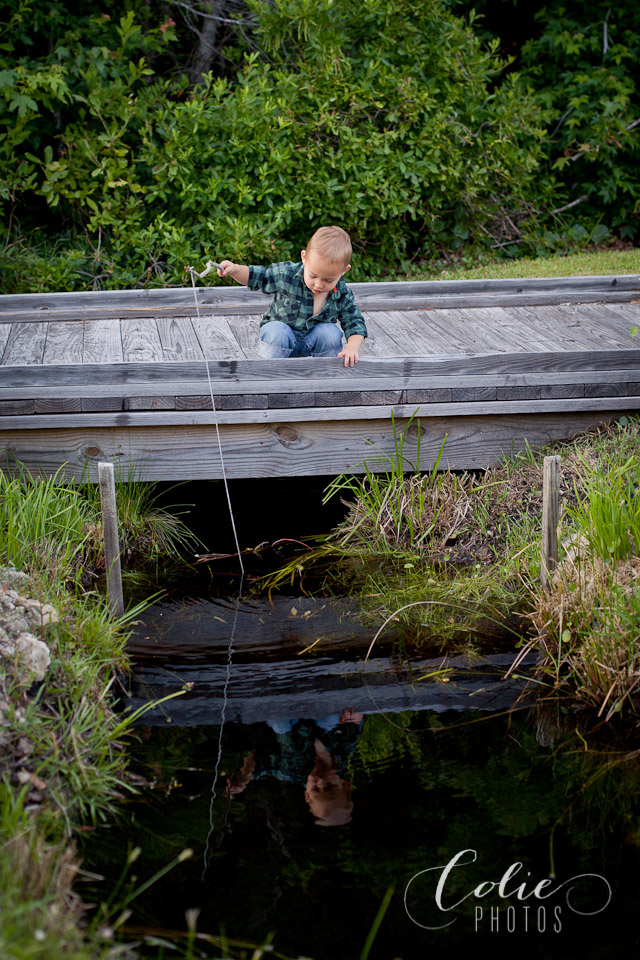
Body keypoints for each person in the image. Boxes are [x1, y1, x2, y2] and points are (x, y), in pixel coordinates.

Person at [216, 225, 367, 367]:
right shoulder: (287, 274)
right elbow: (258, 276)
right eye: (313, 275)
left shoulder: (342, 293)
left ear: (344, 271)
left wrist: (352, 348)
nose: (318, 284)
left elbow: (354, 322)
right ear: (304, 257)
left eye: (328, 280)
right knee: (276, 330)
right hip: (281, 340)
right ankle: (270, 374)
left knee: (330, 333)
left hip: (312, 341)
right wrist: (235, 270)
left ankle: (325, 375)